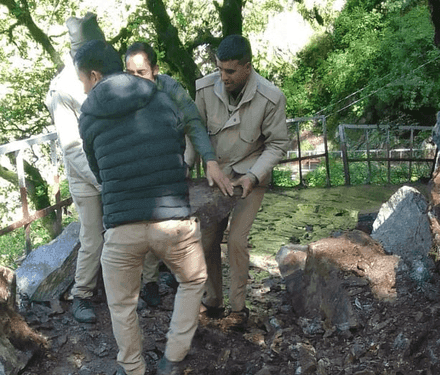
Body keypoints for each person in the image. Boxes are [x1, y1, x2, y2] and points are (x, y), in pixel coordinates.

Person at [74, 39, 208, 375]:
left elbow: (97, 168)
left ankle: (133, 368)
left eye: (82, 82)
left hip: (121, 226)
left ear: (93, 75)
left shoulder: (88, 113)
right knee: (193, 280)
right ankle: (172, 359)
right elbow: (177, 143)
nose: (84, 89)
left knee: (121, 304)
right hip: (173, 220)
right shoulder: (159, 95)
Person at [124, 41, 233, 308]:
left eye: (142, 73)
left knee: (173, 221)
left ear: (155, 70)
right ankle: (149, 283)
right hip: (139, 167)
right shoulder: (121, 93)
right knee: (146, 222)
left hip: (171, 163)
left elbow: (194, 123)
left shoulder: (171, 90)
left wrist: (209, 160)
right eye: (130, 73)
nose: (136, 79)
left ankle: (178, 273)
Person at [195, 34, 290, 330]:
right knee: (206, 239)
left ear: (247, 67)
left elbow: (277, 144)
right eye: (220, 69)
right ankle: (212, 302)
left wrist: (253, 175)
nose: (223, 77)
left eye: (230, 71)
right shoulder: (204, 89)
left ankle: (238, 308)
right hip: (216, 174)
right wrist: (190, 168)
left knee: (236, 240)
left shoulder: (271, 96)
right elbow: (194, 132)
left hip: (251, 176)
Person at [45, 12, 106, 324]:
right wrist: (102, 181)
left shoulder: (105, 68)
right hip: (85, 173)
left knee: (126, 231)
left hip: (110, 165)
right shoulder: (64, 88)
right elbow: (72, 148)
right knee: (93, 235)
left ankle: (126, 289)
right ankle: (82, 294)